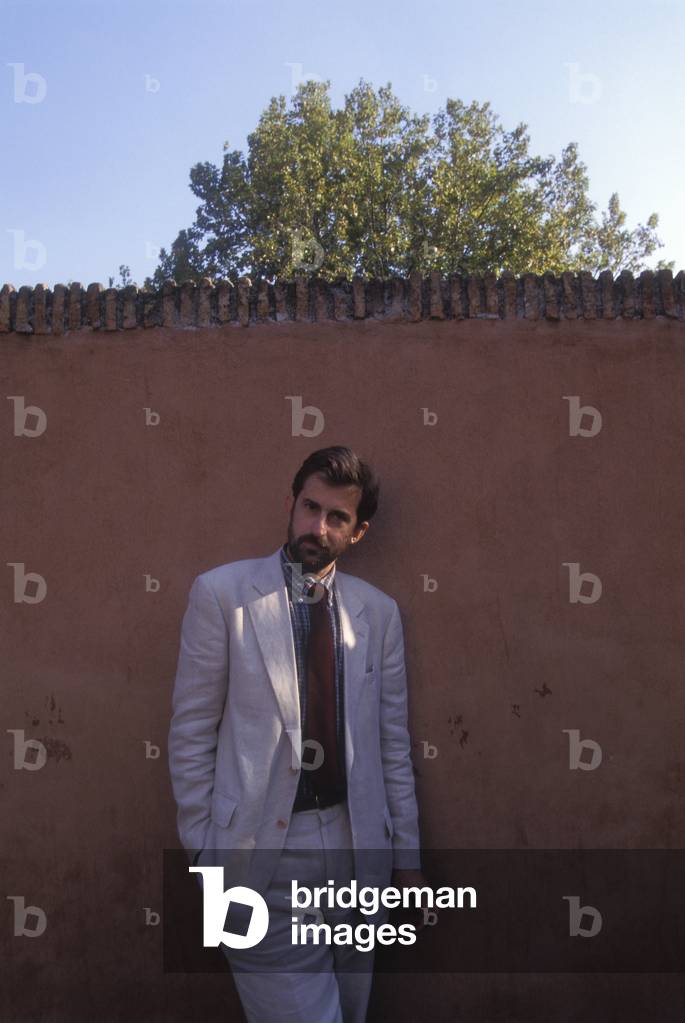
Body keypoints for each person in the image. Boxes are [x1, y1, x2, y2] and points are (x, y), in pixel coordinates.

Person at [168, 445, 427, 1022]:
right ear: (291, 503)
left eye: (337, 517)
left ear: (358, 532)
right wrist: (205, 852)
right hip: (259, 857)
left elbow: (391, 745)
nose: (318, 527)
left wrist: (405, 861)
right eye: (310, 507)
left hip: (356, 853)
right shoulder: (222, 595)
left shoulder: (378, 614)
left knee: (350, 1011)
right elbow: (191, 732)